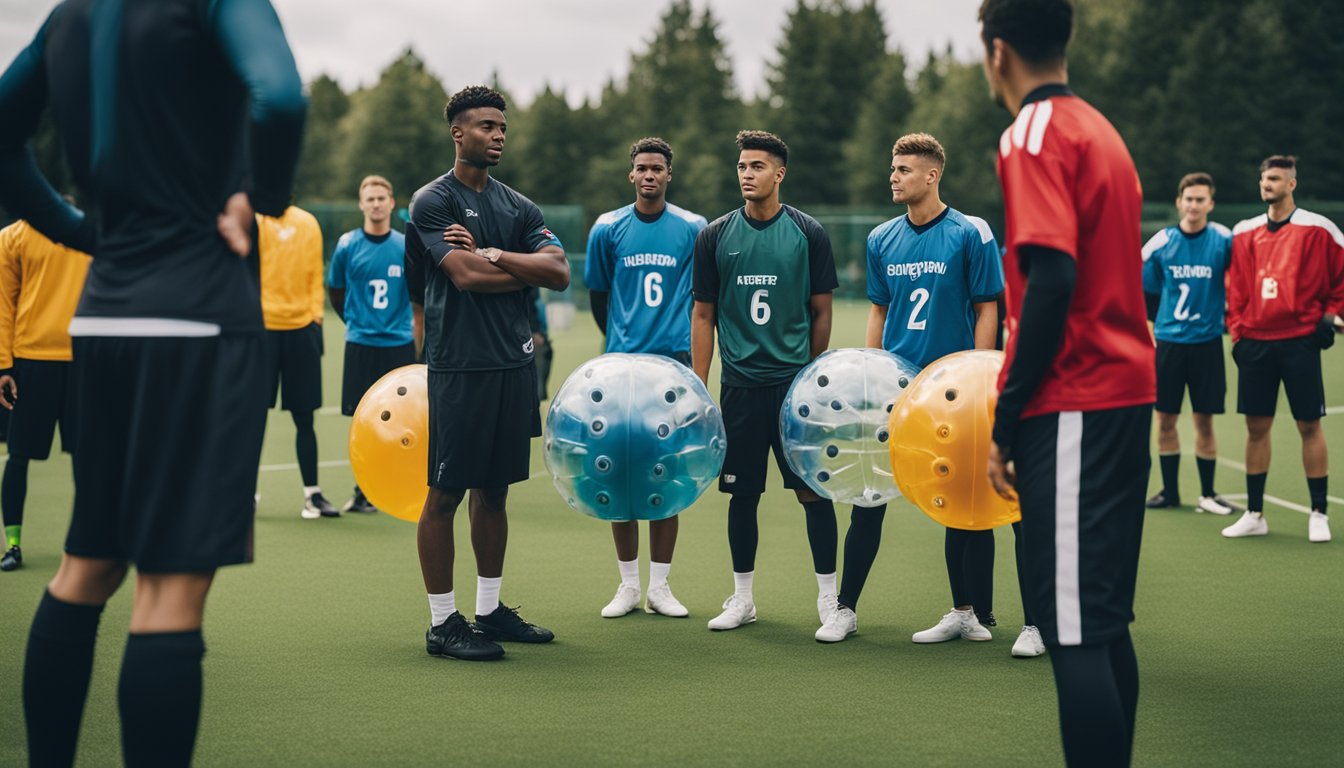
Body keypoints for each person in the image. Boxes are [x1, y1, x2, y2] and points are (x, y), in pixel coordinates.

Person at [0, 0, 305, 764]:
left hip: (99, 324)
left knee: (86, 567)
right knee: (168, 589)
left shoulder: (69, 16)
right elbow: (283, 97)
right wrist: (262, 200)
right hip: (199, 325)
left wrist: (77, 230)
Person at [980, 0, 1154, 765]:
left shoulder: (1033, 134)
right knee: (1103, 621)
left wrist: (1008, 415)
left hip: (1075, 397)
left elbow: (1051, 278)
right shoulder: (1103, 131)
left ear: (997, 52)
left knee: (1073, 629)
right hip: (1122, 392)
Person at [853, 133, 1042, 655]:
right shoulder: (881, 238)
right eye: (892, 168)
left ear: (932, 175)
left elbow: (988, 308)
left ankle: (1038, 623)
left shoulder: (971, 232)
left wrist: (978, 375)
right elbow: (880, 310)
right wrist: (874, 372)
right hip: (905, 391)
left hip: (960, 393)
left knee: (1006, 497)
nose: (893, 176)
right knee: (950, 500)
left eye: (904, 169)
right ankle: (964, 613)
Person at [405, 85, 570, 661]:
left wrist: (495, 254)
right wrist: (520, 269)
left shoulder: (519, 206)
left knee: (495, 492)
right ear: (458, 133)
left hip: (514, 364)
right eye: (486, 127)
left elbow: (560, 273)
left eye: (502, 127)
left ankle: (490, 610)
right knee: (446, 492)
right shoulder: (432, 201)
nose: (498, 135)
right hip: (460, 367)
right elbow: (464, 278)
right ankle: (442, 623)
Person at [691, 130, 839, 635]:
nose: (746, 174)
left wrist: (812, 377)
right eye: (741, 166)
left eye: (757, 166)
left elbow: (821, 311)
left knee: (813, 494)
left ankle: (830, 599)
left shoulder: (807, 232)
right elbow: (704, 313)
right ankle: (743, 598)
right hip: (741, 388)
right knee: (743, 494)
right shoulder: (714, 235)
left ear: (779, 174)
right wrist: (699, 385)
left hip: (793, 389)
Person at [584, 136, 706, 620]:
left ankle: (661, 585)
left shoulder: (692, 228)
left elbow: (701, 301)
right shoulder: (607, 227)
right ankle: (628, 585)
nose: (650, 175)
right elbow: (599, 296)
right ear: (630, 174)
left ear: (668, 175)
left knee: (666, 472)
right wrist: (620, 342)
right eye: (642, 168)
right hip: (619, 369)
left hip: (671, 366)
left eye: (658, 168)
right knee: (617, 472)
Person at [1222, 155, 1344, 543]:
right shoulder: (1243, 231)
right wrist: (1238, 334)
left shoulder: (1318, 228)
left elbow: (1340, 278)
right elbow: (1236, 286)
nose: (1267, 184)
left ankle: (1318, 512)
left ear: (1292, 183)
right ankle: (1255, 513)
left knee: (1309, 424)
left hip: (1299, 341)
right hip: (1256, 342)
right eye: (1263, 179)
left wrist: (1330, 316)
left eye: (1274, 178)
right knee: (1256, 427)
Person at [1141, 173, 1237, 516]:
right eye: (1189, 199)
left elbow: (1239, 280)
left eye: (1201, 199)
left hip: (1207, 343)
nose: (1194, 205)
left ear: (1210, 203)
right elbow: (1146, 289)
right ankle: (1169, 491)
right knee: (1165, 419)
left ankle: (1208, 493)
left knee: (1205, 421)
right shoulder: (1160, 242)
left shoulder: (1224, 240)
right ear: (1179, 202)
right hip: (1169, 343)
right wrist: (1154, 328)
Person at [0, 219, 91, 571]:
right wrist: (3, 366)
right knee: (19, 456)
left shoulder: (90, 228)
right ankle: (13, 545)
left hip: (85, 359)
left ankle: (87, 544)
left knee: (88, 457)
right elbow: (3, 303)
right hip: (31, 362)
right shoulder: (11, 237)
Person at [328, 175, 416, 514]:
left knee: (404, 420)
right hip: (361, 343)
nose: (376, 204)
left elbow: (418, 294)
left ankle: (400, 485)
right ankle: (363, 491)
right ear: (361, 204)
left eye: (382, 198)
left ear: (391, 204)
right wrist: (354, 320)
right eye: (370, 198)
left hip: (399, 344)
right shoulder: (347, 245)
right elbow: (335, 291)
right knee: (361, 420)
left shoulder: (405, 245)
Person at [256, 204, 338, 519]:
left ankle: (312, 495)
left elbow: (315, 272)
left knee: (305, 418)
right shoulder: (254, 221)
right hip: (261, 331)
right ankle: (246, 494)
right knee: (253, 418)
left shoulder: (307, 222)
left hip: (302, 330)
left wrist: (315, 318)